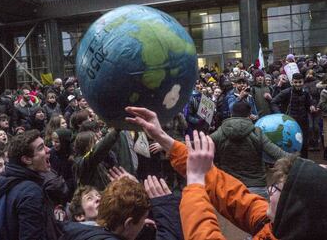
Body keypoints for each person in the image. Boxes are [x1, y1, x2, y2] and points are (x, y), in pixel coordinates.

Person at [125, 106, 327, 240]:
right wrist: (165, 140)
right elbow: (231, 194)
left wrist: (195, 185)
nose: (270, 191)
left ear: (295, 208)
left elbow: (204, 233)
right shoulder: (278, 224)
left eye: (277, 188)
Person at [0, 129, 60, 240]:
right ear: (27, 159)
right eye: (41, 148)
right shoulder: (30, 192)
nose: (48, 150)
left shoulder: (9, 182)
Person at [210, 101, 292, 198]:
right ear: (249, 115)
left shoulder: (220, 133)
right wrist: (298, 160)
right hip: (256, 188)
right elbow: (277, 153)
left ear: (231, 114)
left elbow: (200, 146)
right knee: (259, 213)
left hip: (229, 187)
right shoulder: (257, 132)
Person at [271, 73, 316, 158]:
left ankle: (304, 163)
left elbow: (309, 102)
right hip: (290, 123)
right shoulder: (286, 92)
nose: (298, 84)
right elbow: (273, 102)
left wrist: (312, 106)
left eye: (300, 82)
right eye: (296, 82)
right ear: (292, 82)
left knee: (304, 144)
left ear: (303, 82)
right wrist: (280, 115)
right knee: (290, 143)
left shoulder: (305, 92)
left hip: (303, 122)